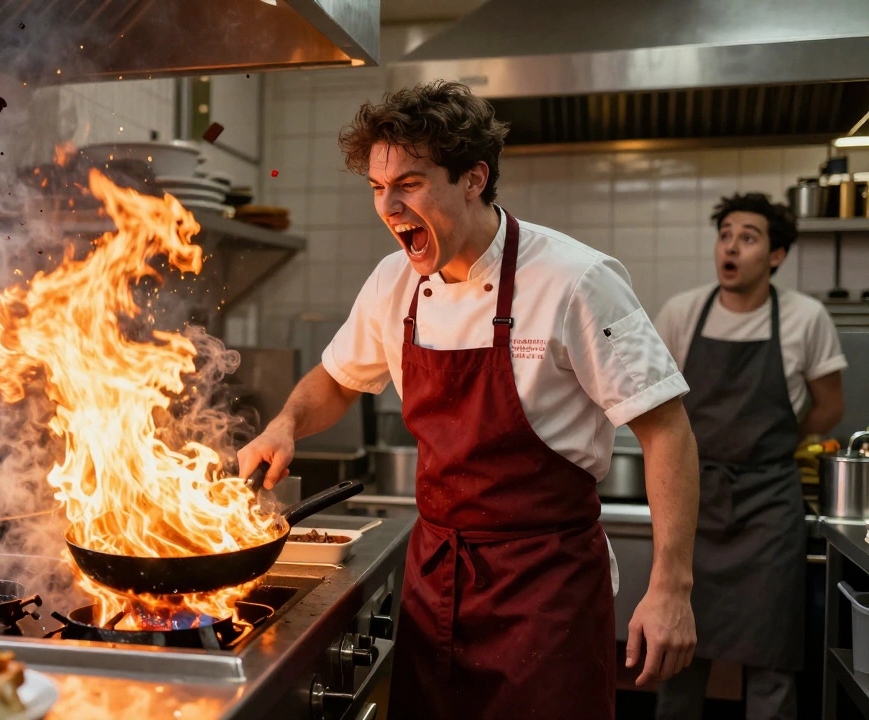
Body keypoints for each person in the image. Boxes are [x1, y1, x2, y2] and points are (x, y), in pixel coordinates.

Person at [237, 80, 699, 720]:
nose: (389, 206)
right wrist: (285, 424)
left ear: (474, 177)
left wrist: (671, 587)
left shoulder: (575, 279)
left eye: (410, 183)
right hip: (435, 586)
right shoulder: (392, 282)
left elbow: (667, 429)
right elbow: (338, 379)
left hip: (546, 592)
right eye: (377, 187)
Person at [653, 193, 845, 720]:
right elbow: (657, 403)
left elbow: (830, 405)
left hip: (769, 508)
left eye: (748, 237)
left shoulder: (806, 318)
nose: (731, 247)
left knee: (772, 659)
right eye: (725, 235)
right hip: (692, 502)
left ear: (776, 255)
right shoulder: (682, 312)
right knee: (676, 652)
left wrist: (778, 437)